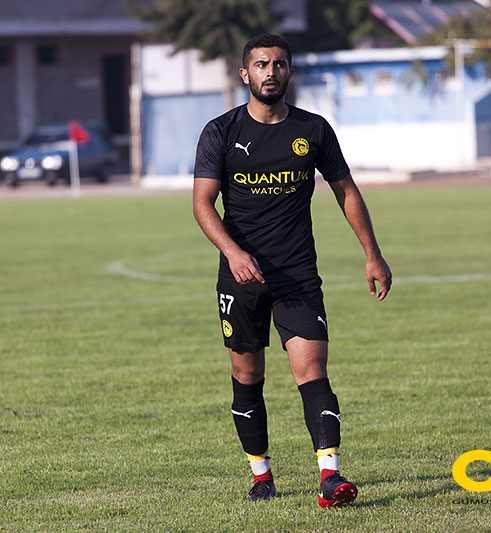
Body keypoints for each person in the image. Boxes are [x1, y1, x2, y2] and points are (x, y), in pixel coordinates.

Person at [192, 33, 392, 508]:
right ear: (246, 74)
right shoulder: (220, 132)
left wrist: (372, 253)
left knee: (312, 368)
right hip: (240, 278)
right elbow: (202, 204)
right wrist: (235, 253)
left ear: (289, 72)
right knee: (247, 375)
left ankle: (330, 476)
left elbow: (346, 191)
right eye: (261, 64)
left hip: (297, 274)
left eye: (279, 64)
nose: (270, 72)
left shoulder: (313, 130)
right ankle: (261, 476)